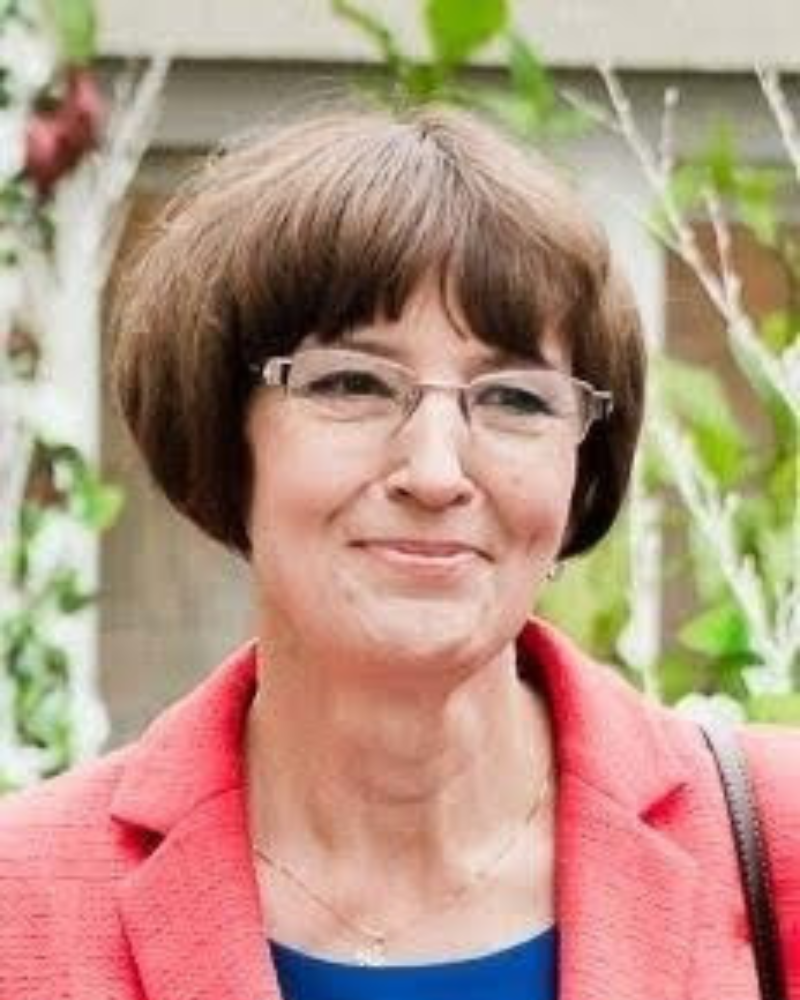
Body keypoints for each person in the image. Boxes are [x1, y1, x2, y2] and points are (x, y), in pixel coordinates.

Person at [0, 104, 797, 1000]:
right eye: (353, 384)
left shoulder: (777, 846)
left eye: (516, 398)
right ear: (223, 436)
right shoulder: (22, 902)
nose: (435, 473)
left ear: (582, 468)